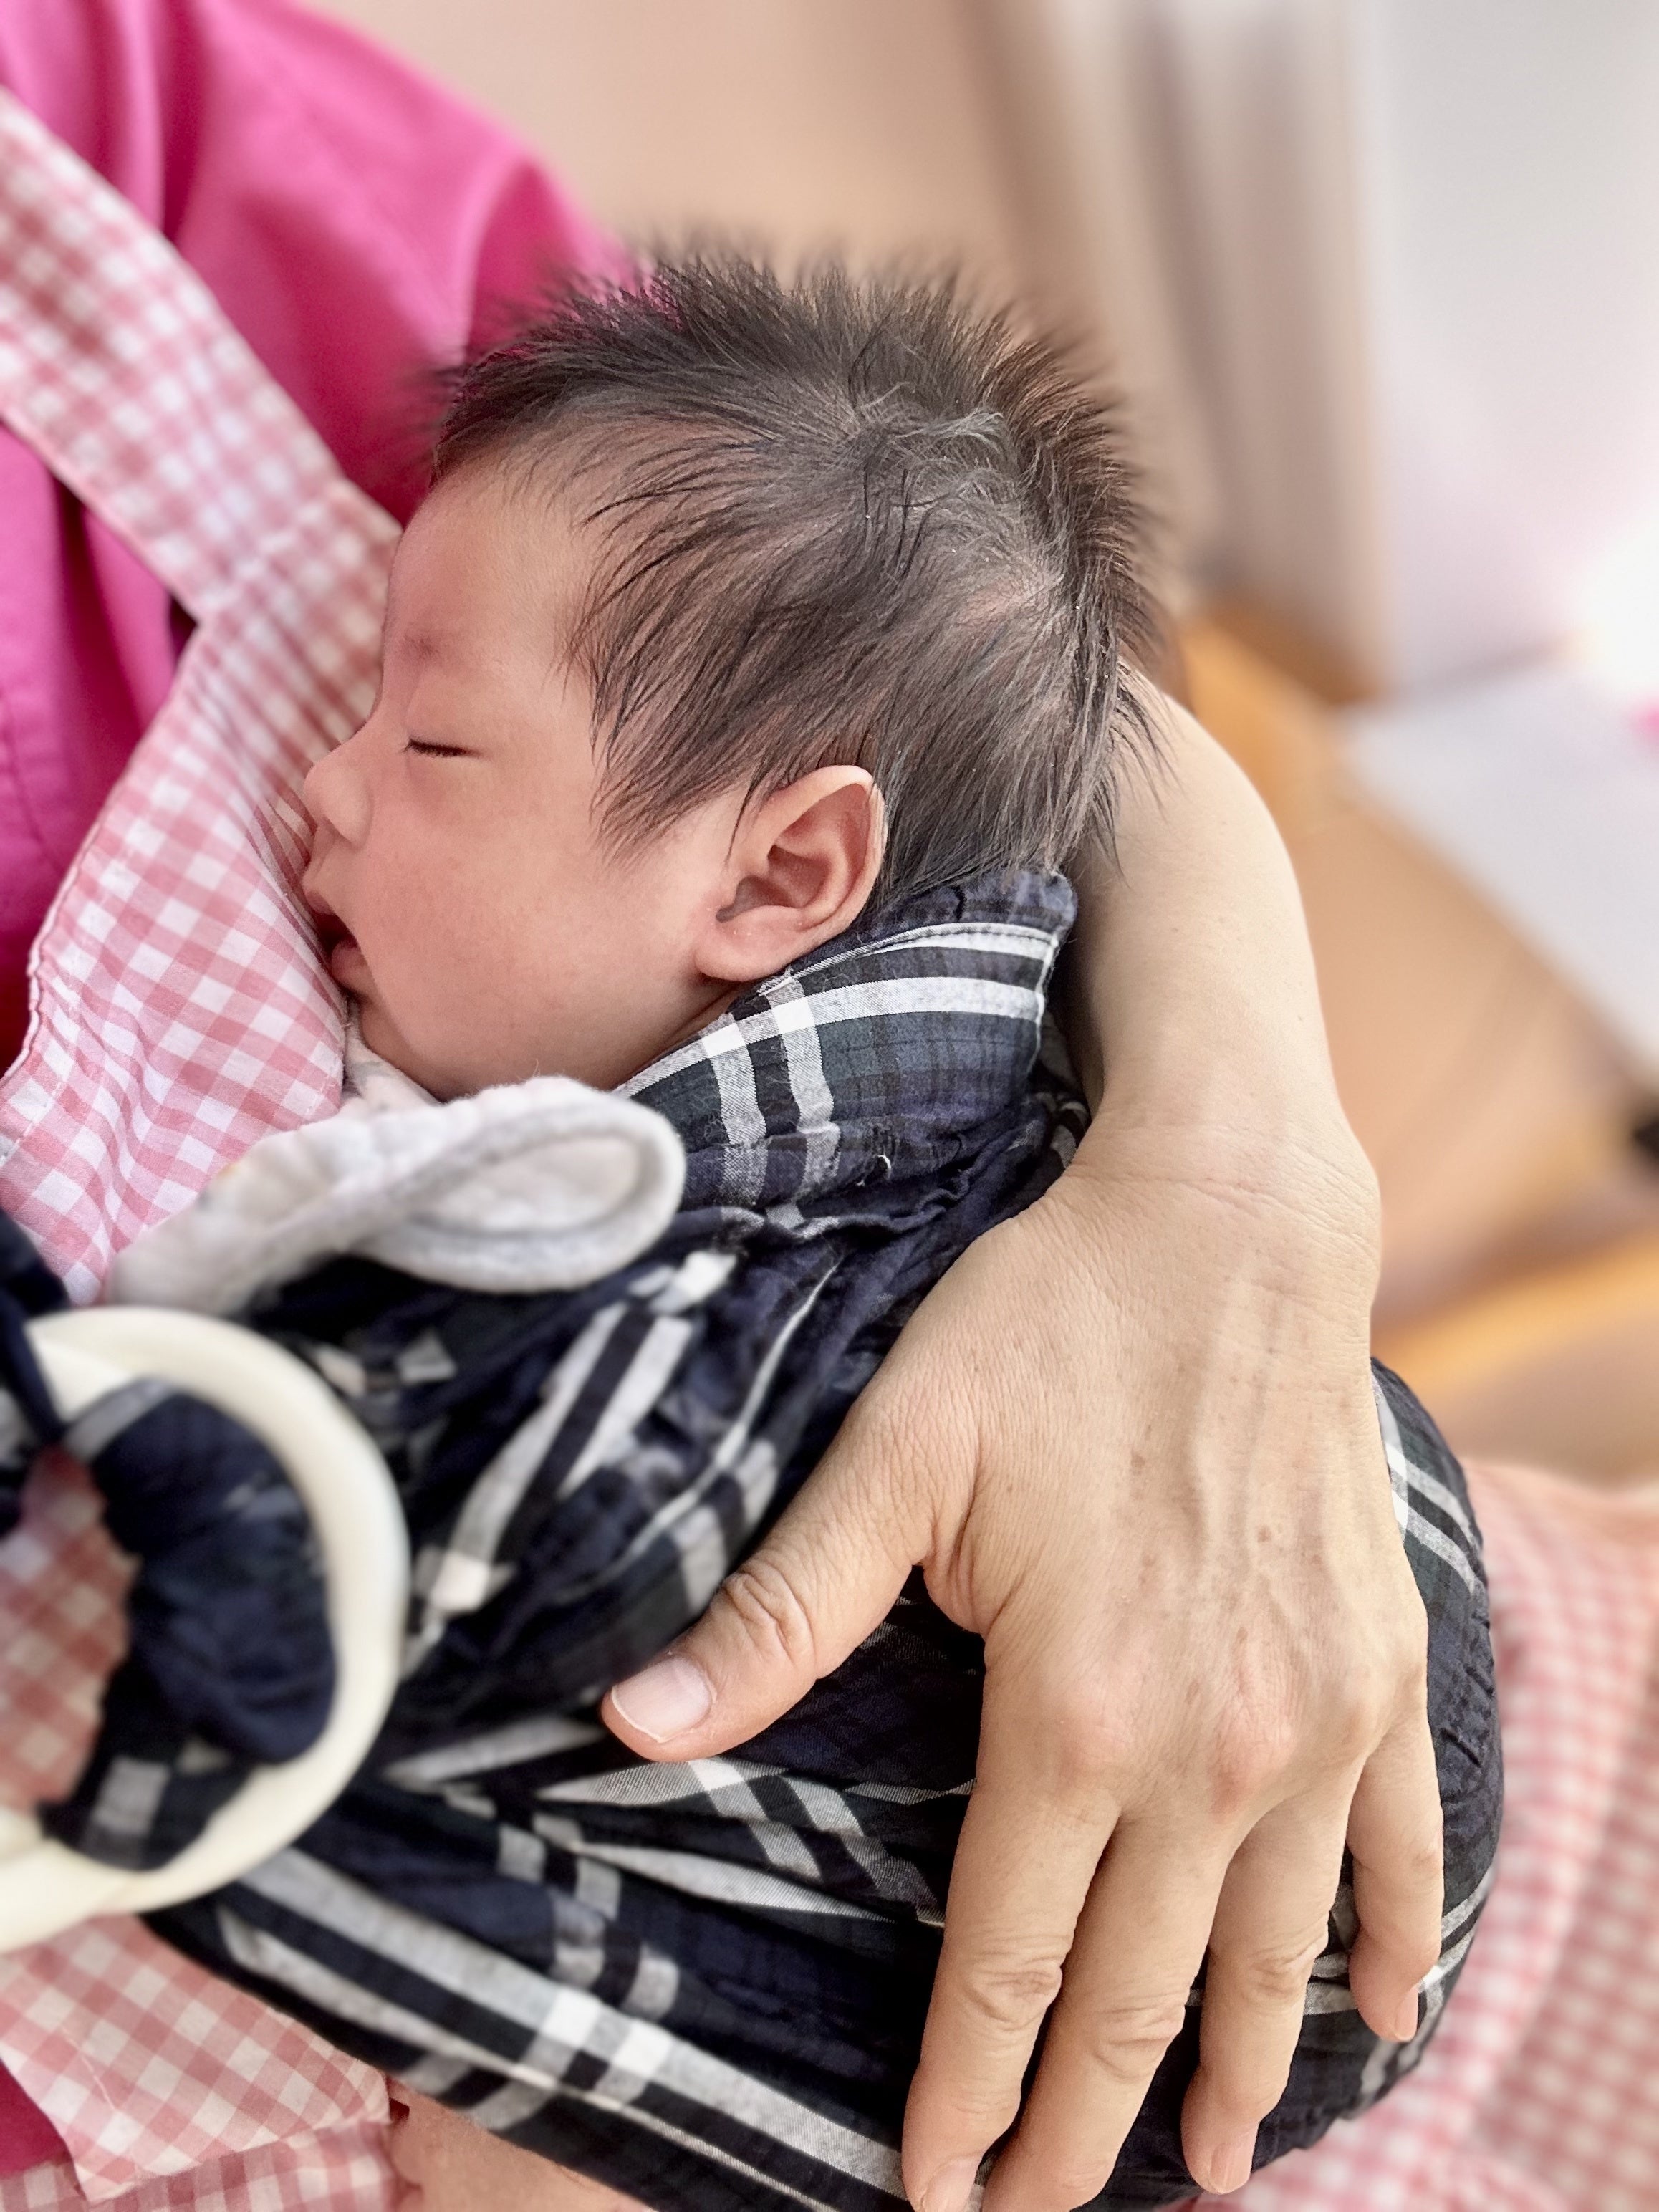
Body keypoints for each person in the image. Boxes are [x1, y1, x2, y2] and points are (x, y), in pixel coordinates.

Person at [0, 8, 1458, 2208]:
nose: (324, 789)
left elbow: (946, 620)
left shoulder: (124, 125)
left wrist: (1231, 1162)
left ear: (784, 883)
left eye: (424, 743)